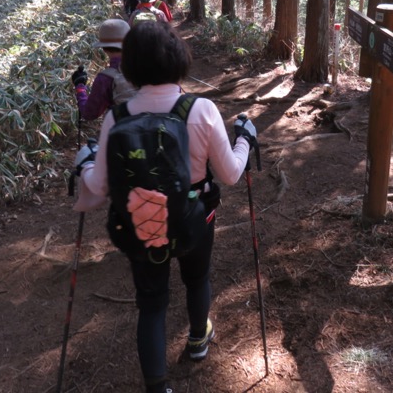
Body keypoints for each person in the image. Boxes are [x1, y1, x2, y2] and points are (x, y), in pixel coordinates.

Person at [73, 21, 257, 393]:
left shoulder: (118, 117)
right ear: (178, 59)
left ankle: (157, 387)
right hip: (196, 217)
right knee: (197, 279)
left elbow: (99, 185)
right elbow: (231, 173)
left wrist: (86, 162)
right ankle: (197, 340)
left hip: (140, 223)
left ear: (131, 66)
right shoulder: (201, 108)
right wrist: (246, 141)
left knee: (152, 304)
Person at [71, 18, 136, 121]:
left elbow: (89, 113)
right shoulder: (148, 65)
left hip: (123, 131)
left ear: (103, 48)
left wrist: (80, 88)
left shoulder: (106, 78)